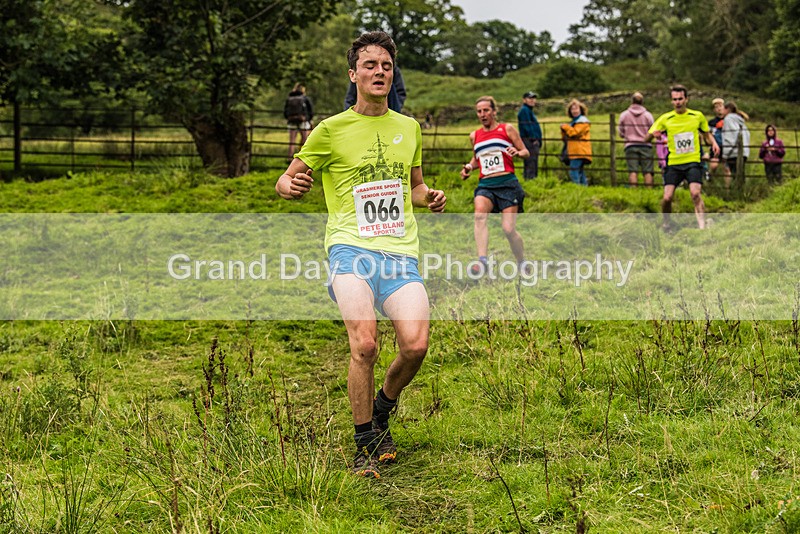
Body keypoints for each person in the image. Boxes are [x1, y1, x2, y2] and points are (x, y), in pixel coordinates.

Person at [276, 31, 446, 479]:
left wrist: (431, 197)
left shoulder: (408, 128)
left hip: (399, 254)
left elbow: (415, 187)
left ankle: (382, 408)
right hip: (350, 249)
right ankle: (364, 441)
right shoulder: (330, 129)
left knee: (415, 345)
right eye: (370, 65)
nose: (379, 72)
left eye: (386, 66)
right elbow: (287, 177)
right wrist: (289, 186)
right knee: (365, 343)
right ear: (353, 75)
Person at [460, 96, 529, 275]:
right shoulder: (474, 135)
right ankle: (482, 261)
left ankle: (521, 261)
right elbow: (477, 158)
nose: (482, 114)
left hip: (507, 183)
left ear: (494, 111)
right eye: (479, 111)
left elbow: (525, 151)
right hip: (486, 184)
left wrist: (518, 152)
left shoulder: (506, 129)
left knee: (508, 229)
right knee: (479, 215)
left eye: (486, 110)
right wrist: (469, 167)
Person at [645, 84, 719, 230]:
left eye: (680, 99)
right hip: (674, 163)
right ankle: (666, 223)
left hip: (692, 161)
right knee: (667, 197)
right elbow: (646, 138)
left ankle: (702, 227)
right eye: (675, 99)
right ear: (671, 101)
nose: (677, 102)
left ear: (686, 99)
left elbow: (706, 134)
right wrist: (654, 135)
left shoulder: (697, 116)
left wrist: (714, 143)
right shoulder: (665, 118)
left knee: (695, 193)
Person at [617, 92, 654, 187]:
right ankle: (649, 190)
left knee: (633, 170)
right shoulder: (648, 115)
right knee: (648, 171)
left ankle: (634, 190)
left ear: (632, 101)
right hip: (646, 145)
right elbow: (653, 130)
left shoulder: (624, 115)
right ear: (642, 102)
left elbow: (620, 132)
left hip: (630, 145)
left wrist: (625, 135)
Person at [560, 99, 592, 186]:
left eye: (576, 108)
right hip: (576, 150)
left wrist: (565, 127)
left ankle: (577, 188)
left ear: (581, 110)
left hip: (579, 150)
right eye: (572, 109)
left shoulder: (582, 122)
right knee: (580, 171)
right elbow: (565, 137)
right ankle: (583, 189)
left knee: (573, 171)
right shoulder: (574, 122)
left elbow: (574, 133)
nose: (574, 111)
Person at [720, 101, 751, 187]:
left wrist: (725, 154)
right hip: (743, 151)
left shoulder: (728, 119)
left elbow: (730, 136)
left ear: (727, 109)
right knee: (741, 174)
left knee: (735, 175)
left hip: (733, 152)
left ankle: (736, 193)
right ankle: (742, 192)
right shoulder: (740, 120)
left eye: (723, 109)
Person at [284, 83, 314, 160]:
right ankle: (302, 158)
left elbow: (285, 111)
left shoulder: (289, 98)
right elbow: (310, 110)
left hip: (291, 121)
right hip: (303, 122)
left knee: (292, 141)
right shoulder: (305, 98)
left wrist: (289, 118)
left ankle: (290, 157)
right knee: (304, 140)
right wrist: (309, 119)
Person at [517, 91, 542, 179]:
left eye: (533, 98)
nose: (532, 100)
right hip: (529, 140)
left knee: (532, 161)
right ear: (524, 100)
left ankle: (531, 178)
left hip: (530, 139)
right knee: (531, 161)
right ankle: (530, 179)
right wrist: (534, 139)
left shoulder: (528, 110)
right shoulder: (525, 110)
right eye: (530, 98)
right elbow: (527, 126)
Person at [707, 98, 725, 177]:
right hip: (716, 147)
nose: (719, 108)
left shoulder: (728, 120)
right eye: (716, 107)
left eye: (720, 106)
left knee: (726, 168)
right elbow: (708, 135)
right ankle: (709, 176)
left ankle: (727, 188)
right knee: (714, 166)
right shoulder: (711, 122)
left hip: (727, 146)